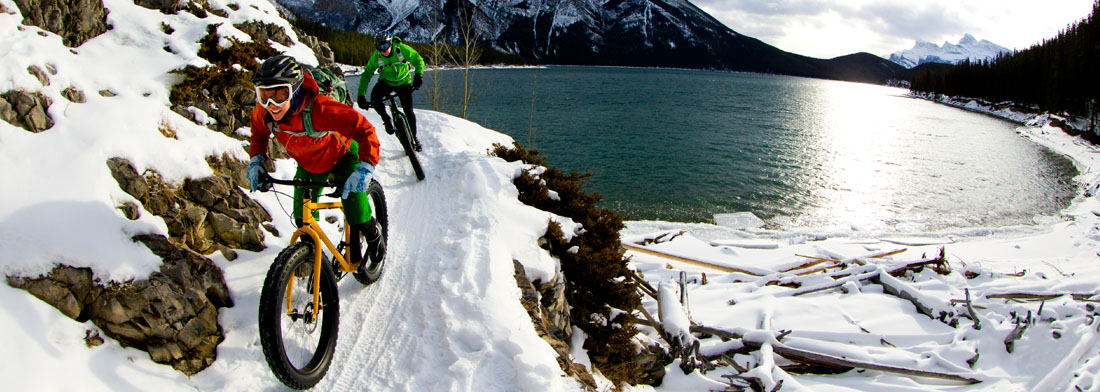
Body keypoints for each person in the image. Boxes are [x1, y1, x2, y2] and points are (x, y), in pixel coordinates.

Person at [246, 55, 385, 267]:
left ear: (294, 90)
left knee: (356, 209)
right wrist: (256, 160)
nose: (271, 105)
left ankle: (373, 234)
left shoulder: (320, 108)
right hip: (309, 164)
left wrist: (366, 167)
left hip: (343, 156)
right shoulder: (264, 113)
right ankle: (313, 263)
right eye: (264, 95)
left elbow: (364, 129)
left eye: (280, 94)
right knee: (302, 220)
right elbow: (258, 132)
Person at [357, 34, 426, 152]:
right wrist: (361, 95)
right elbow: (367, 74)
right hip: (386, 83)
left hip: (403, 82)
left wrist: (418, 75)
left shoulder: (402, 49)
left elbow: (418, 60)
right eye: (380, 48)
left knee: (408, 111)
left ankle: (414, 138)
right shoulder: (377, 56)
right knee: (375, 98)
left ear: (390, 43)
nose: (383, 50)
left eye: (385, 46)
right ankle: (386, 119)